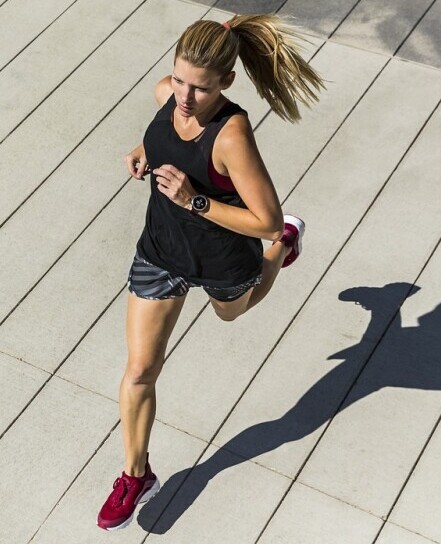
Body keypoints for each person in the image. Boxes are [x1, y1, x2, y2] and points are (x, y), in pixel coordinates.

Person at [97, 14, 325, 531]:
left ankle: (287, 248)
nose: (183, 96)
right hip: (160, 251)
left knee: (233, 313)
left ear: (226, 82)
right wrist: (142, 151)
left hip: (224, 255)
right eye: (179, 79)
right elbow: (162, 134)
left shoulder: (232, 134)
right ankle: (136, 474)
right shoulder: (167, 95)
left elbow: (263, 218)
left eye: (199, 87)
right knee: (138, 372)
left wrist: (194, 199)